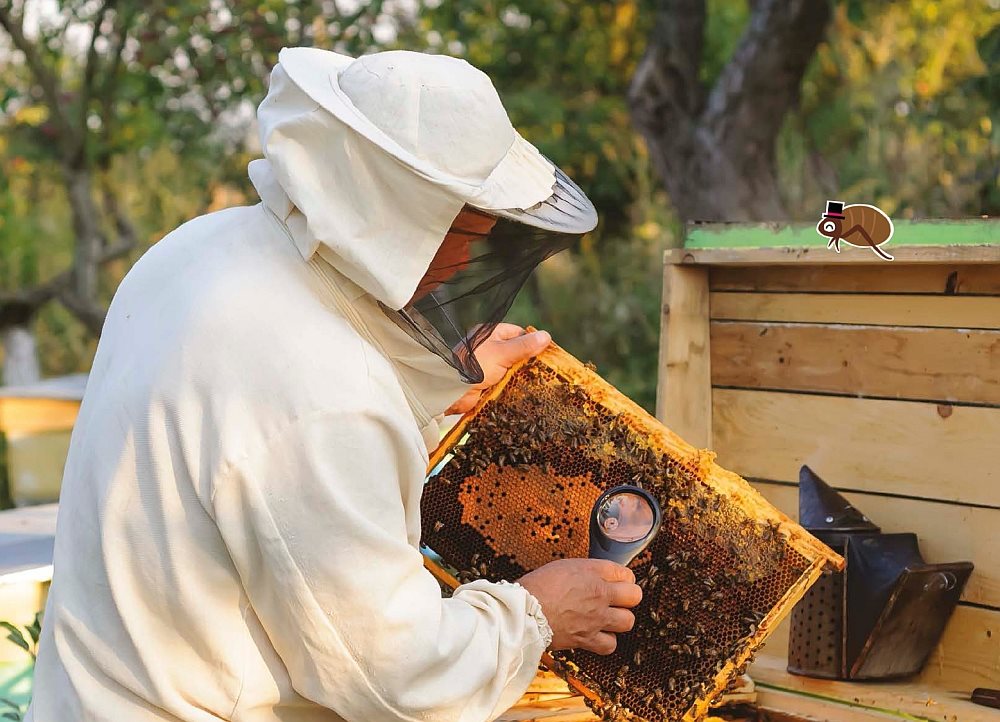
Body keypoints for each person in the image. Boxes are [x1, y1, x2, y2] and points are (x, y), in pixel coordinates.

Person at [27, 48, 642, 722]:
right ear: (399, 215)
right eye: (461, 228)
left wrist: (434, 392)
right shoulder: (323, 396)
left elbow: (258, 471)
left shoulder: (194, 251)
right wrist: (538, 614)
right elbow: (397, 683)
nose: (468, 257)